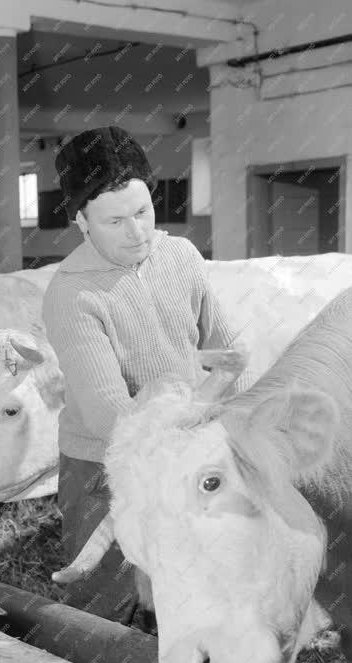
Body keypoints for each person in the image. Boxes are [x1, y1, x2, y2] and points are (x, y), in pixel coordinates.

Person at [43, 126, 246, 624]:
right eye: (115, 221)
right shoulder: (72, 295)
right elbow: (112, 419)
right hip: (105, 470)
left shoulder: (181, 256)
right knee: (106, 618)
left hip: (190, 449)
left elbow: (227, 351)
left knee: (195, 608)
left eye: (143, 211)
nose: (137, 233)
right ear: (82, 222)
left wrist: (227, 417)